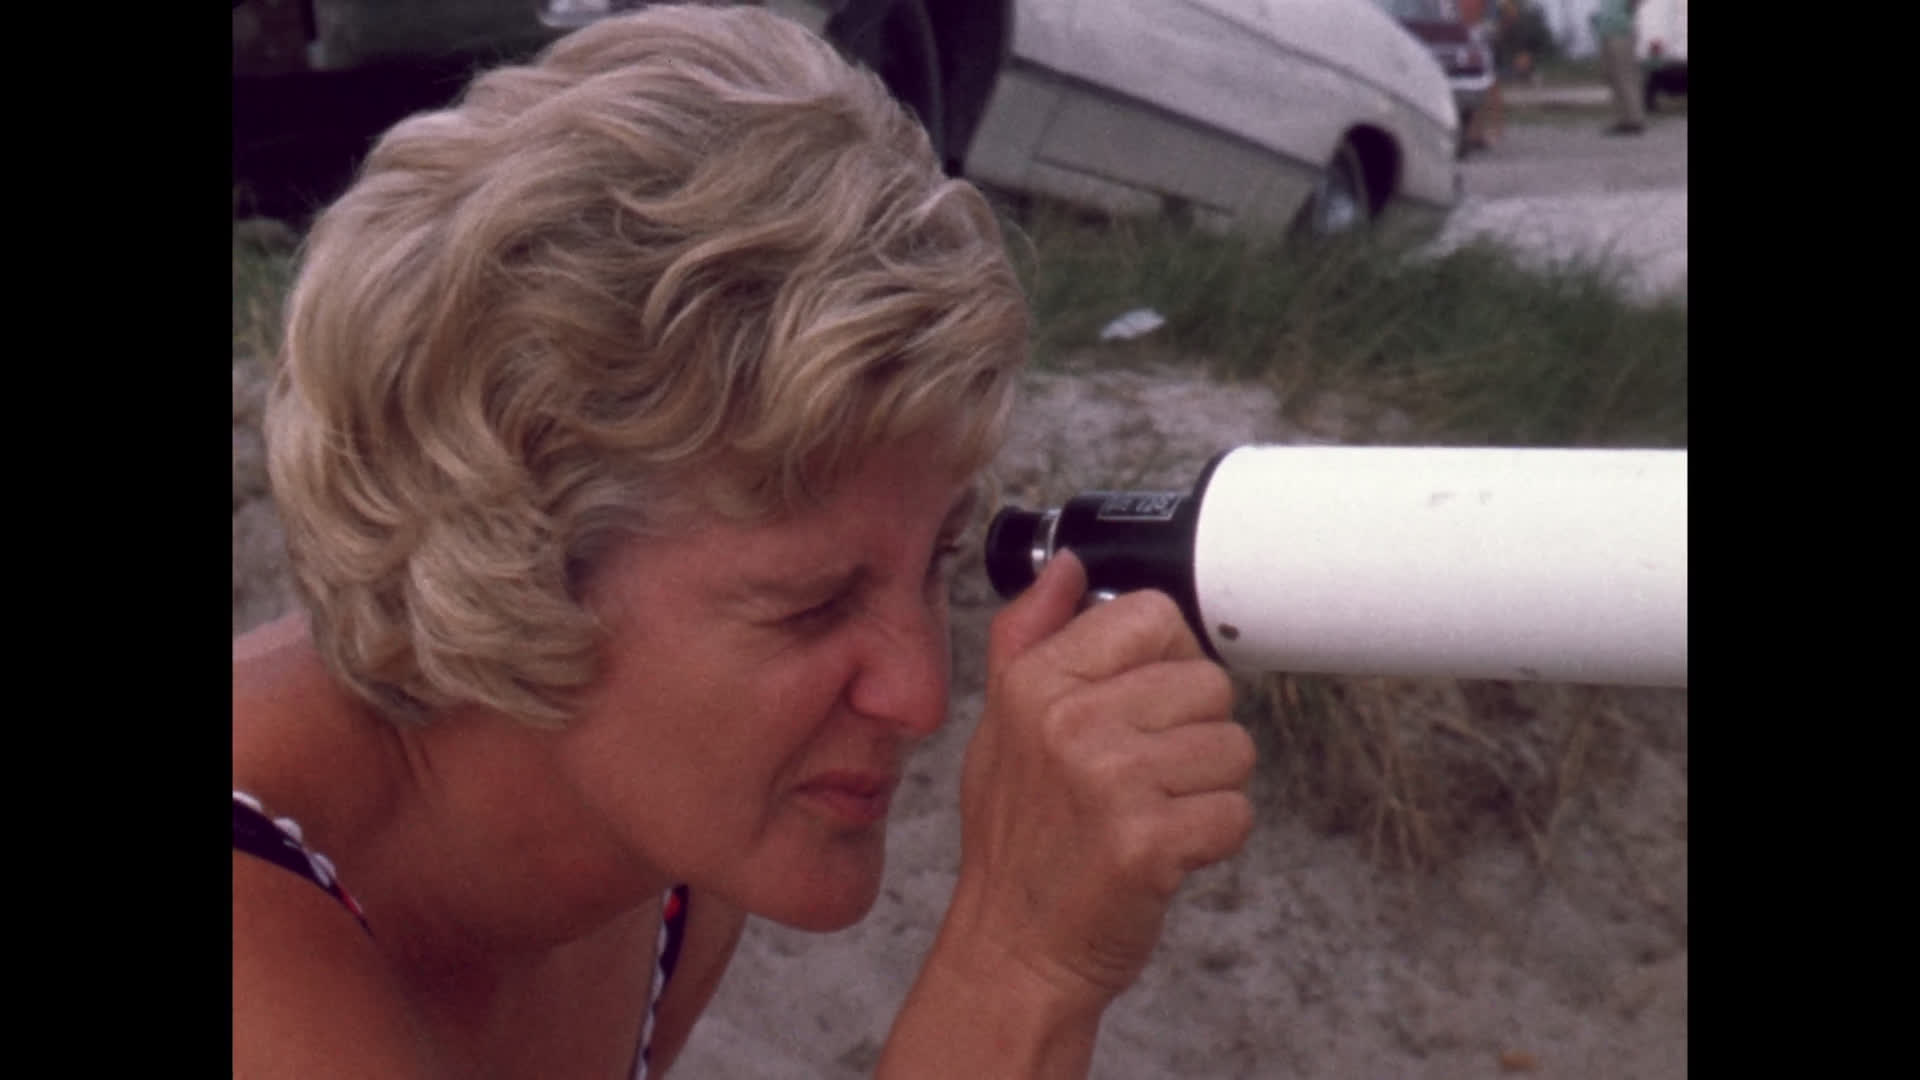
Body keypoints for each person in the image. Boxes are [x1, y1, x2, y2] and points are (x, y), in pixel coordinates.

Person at [231, 5, 1256, 1077]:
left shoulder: (665, 856)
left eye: (936, 562)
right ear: (510, 571)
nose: (918, 695)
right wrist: (1020, 963)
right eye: (811, 605)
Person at [1592, 0, 1646, 135]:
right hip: (1606, 33)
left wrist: (1631, 7)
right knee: (1613, 78)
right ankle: (1622, 120)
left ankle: (1634, 120)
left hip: (1621, 32)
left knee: (1625, 77)